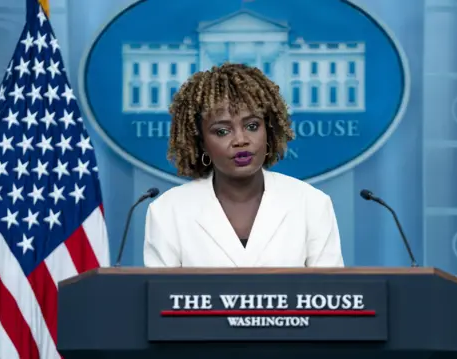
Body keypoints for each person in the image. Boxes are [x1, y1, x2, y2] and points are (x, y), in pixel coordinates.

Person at [143, 63, 344, 268]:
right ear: (202, 142)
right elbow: (161, 297)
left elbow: (330, 295)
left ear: (268, 130)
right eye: (222, 131)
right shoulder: (168, 211)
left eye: (252, 126)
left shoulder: (311, 204)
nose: (241, 140)